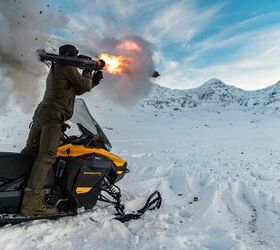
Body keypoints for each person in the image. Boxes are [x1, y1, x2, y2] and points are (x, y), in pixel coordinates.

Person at [20, 44, 103, 216]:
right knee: (47, 156)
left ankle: (18, 189)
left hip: (42, 112)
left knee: (31, 151)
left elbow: (77, 89)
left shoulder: (56, 66)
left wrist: (93, 81)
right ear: (72, 56)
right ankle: (31, 203)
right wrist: (88, 72)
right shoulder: (67, 66)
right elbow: (83, 86)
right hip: (53, 115)